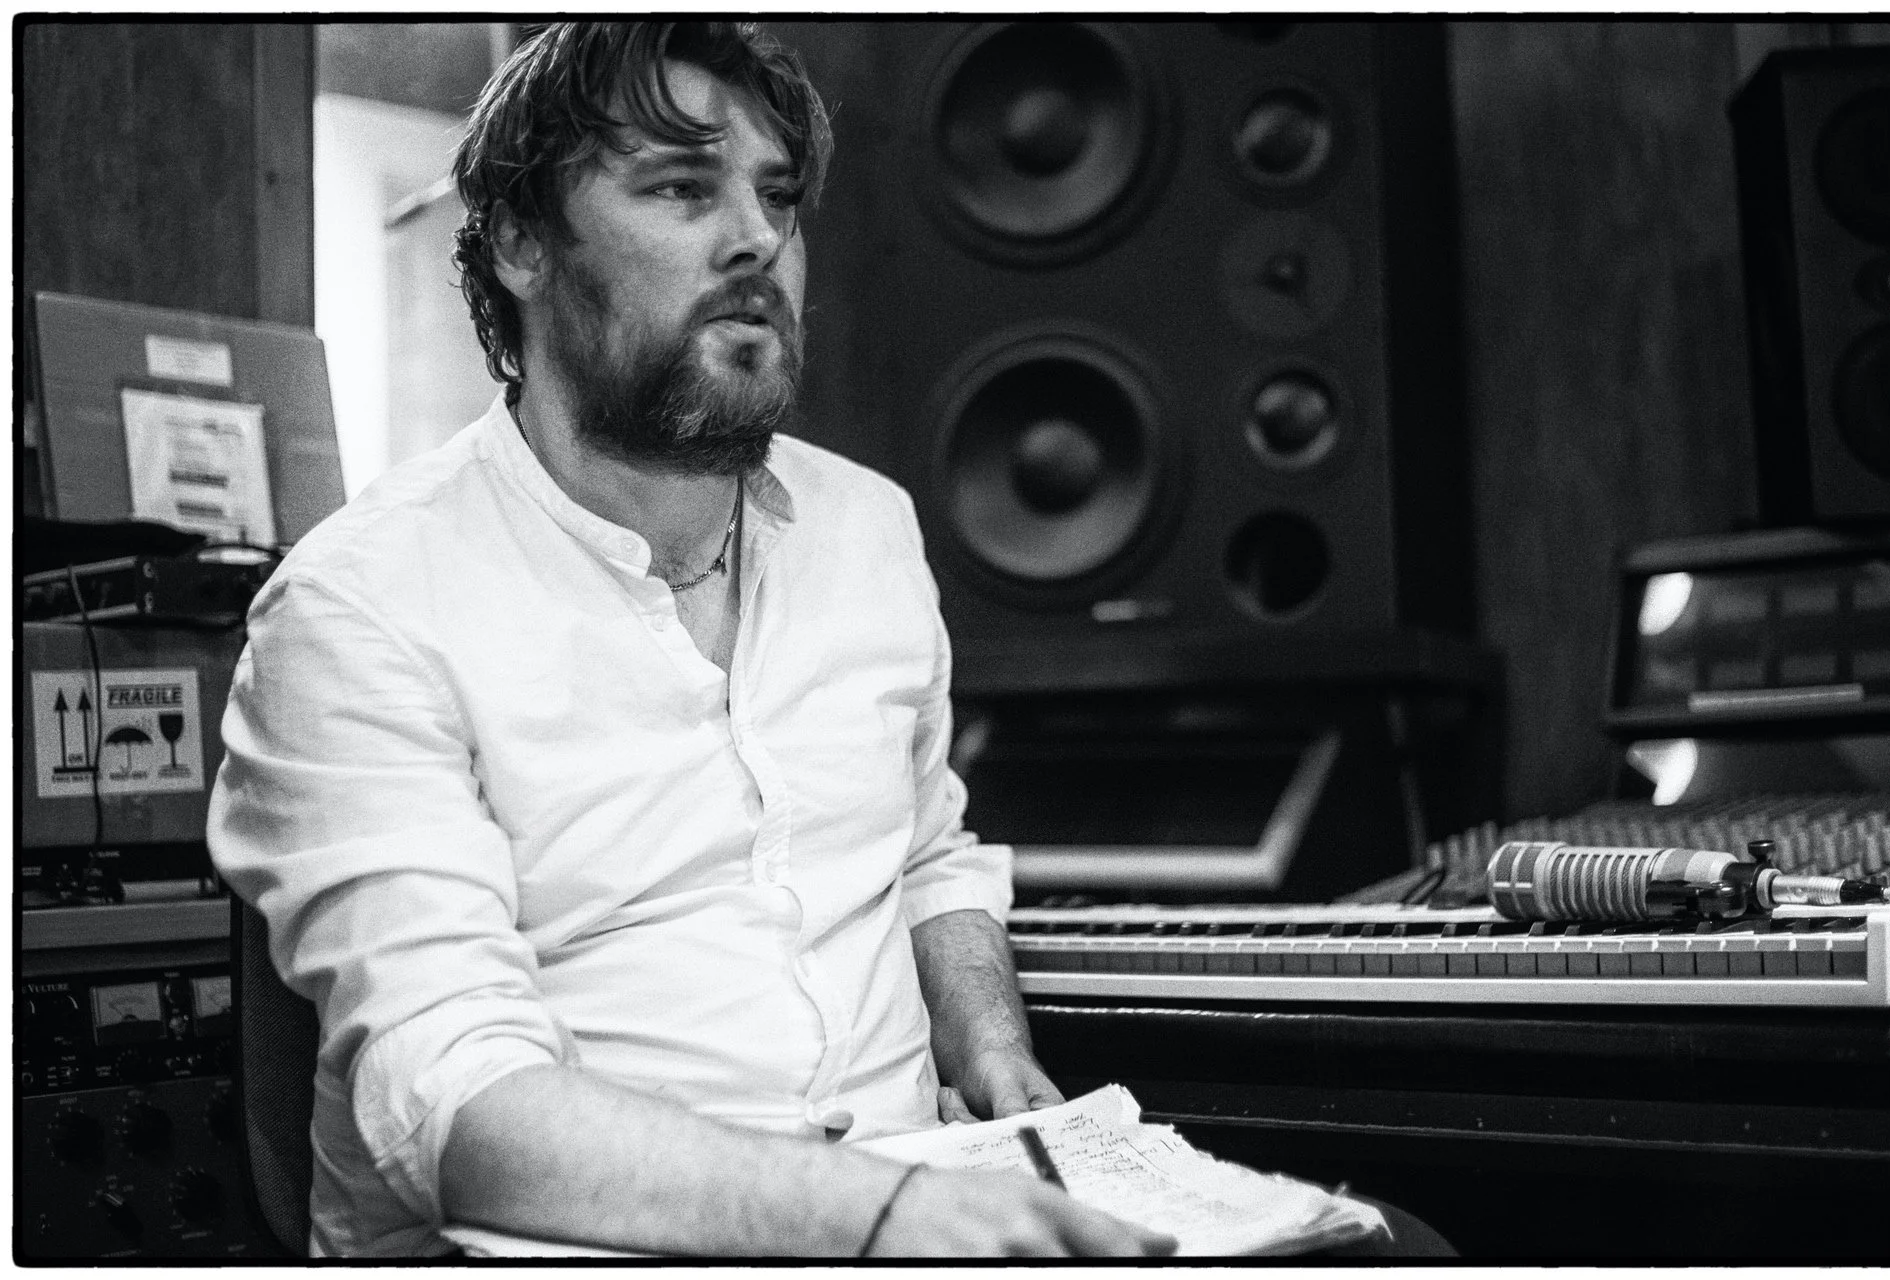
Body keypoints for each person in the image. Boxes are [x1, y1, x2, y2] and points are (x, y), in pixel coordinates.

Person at [208, 20, 1175, 1258]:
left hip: (922, 1206)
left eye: (777, 196)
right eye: (679, 187)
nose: (756, 237)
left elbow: (927, 855)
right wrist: (885, 1214)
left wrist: (990, 1048)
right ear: (519, 242)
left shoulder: (869, 528)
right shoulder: (358, 606)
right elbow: (457, 1109)